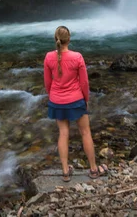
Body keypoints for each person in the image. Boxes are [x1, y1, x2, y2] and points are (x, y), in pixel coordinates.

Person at [44, 25, 108, 181]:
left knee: (63, 133)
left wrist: (53, 97)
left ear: (55, 39)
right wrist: (85, 99)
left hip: (57, 100)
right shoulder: (77, 57)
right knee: (85, 132)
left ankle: (65, 172)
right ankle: (93, 170)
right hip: (75, 100)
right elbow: (84, 83)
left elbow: (47, 82)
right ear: (69, 39)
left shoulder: (48, 57)